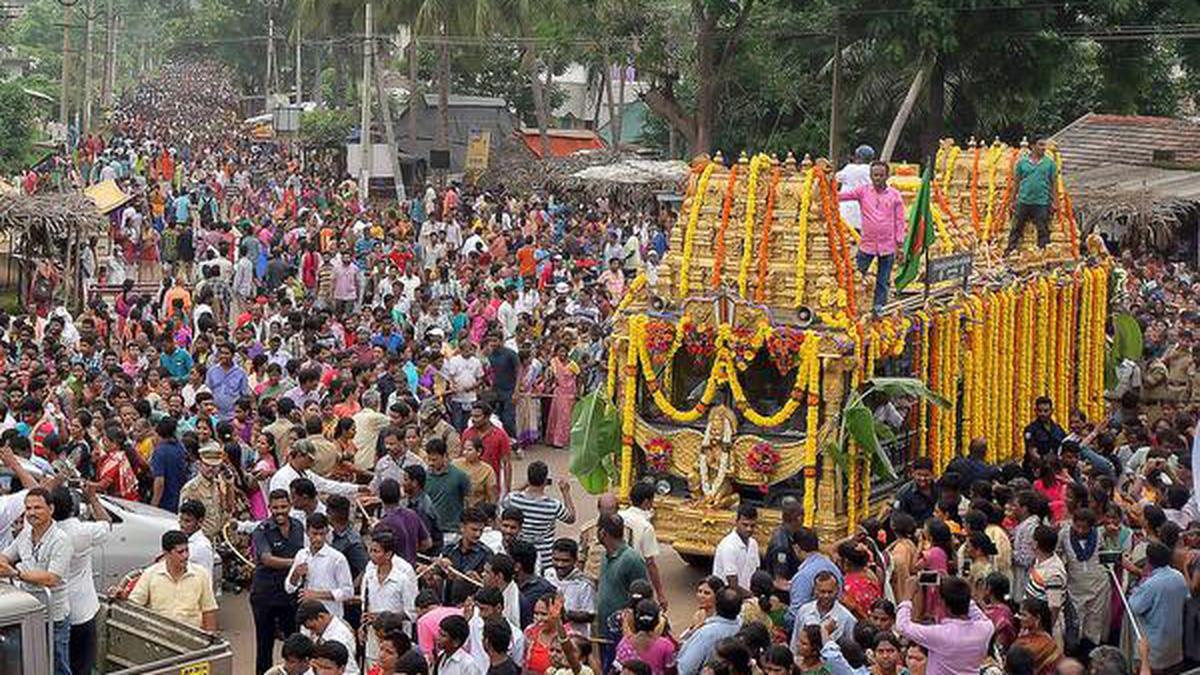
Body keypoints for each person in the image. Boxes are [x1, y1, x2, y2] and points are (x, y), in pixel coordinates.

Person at [0, 488, 73, 675]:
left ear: (51, 509)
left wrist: (16, 573)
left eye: (37, 508)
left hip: (52, 616)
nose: (32, 513)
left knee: (57, 666)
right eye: (28, 508)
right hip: (27, 614)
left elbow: (51, 578)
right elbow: (5, 556)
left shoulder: (61, 540)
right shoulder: (25, 534)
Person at [53, 484, 110, 675]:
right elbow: (107, 523)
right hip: (82, 612)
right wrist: (93, 498)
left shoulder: (44, 532)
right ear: (73, 508)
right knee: (82, 666)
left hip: (55, 612)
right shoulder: (82, 531)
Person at [838, 161, 906, 311]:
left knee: (883, 280)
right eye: (875, 175)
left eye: (881, 175)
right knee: (856, 275)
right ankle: (851, 306)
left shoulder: (895, 195)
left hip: (887, 246)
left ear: (887, 176)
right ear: (870, 176)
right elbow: (842, 196)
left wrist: (900, 244)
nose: (878, 178)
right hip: (867, 245)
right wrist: (825, 188)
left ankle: (879, 308)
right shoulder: (863, 191)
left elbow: (900, 221)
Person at [251, 489, 305, 675]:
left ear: (290, 505)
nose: (280, 511)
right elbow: (266, 559)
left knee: (294, 644)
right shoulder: (261, 530)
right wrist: (296, 563)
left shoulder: (298, 526)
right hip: (265, 595)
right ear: (269, 508)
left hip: (289, 596)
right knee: (264, 644)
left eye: (283, 507)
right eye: (275, 508)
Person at [896, 575, 993, 675]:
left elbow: (902, 625)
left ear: (943, 604)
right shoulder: (985, 629)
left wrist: (907, 596)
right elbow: (975, 611)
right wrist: (959, 590)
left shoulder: (940, 634)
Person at [125, 530, 219, 631]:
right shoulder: (150, 574)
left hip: (192, 636)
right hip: (159, 636)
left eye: (187, 550)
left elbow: (209, 610)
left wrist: (210, 638)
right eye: (180, 552)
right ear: (166, 553)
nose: (186, 556)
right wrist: (123, 596)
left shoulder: (201, 574)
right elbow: (134, 605)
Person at [595, 513, 648, 673]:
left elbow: (642, 596)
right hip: (605, 629)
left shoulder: (632, 559)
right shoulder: (606, 555)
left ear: (602, 533)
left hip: (621, 634)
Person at [501, 460, 576, 571]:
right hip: (544, 557)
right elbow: (571, 518)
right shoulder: (553, 505)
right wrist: (565, 492)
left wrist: (525, 484)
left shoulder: (514, 499)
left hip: (519, 555)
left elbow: (505, 499)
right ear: (545, 480)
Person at [1127, 541, 1188, 674]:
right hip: (1174, 647)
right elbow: (1185, 597)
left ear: (1148, 560)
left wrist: (1137, 589)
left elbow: (1134, 606)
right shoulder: (1179, 576)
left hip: (1153, 650)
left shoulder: (1151, 584)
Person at [361, 531, 418, 668]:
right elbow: (364, 606)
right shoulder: (369, 576)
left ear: (388, 554)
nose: (372, 555)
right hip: (373, 641)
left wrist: (385, 618)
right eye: (371, 550)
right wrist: (362, 627)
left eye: (376, 551)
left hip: (396, 643)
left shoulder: (402, 579)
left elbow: (413, 613)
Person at [285, 512, 354, 619]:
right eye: (314, 534)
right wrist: (296, 574)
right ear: (307, 532)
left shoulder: (337, 558)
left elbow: (348, 592)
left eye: (322, 534)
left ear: (327, 532)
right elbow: (289, 588)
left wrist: (315, 595)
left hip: (331, 618)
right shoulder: (302, 554)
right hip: (308, 618)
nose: (319, 538)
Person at [1005, 138, 1058, 254]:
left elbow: (1054, 183)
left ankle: (1043, 252)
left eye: (1044, 145)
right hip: (1023, 200)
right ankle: (1010, 250)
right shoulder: (1022, 163)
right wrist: (1012, 200)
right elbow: (1017, 183)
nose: (1043, 148)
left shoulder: (1050, 163)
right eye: (1041, 145)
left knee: (1043, 229)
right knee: (1016, 227)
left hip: (1041, 201)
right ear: (1033, 146)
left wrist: (1055, 201)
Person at [677, 587, 744, 675]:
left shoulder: (707, 633)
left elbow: (686, 669)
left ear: (716, 605)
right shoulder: (741, 623)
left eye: (707, 593)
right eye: (700, 591)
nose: (702, 596)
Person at [179, 446, 237, 540]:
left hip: (217, 539)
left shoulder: (218, 484)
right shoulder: (191, 488)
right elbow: (183, 520)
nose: (210, 469)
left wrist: (230, 486)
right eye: (207, 465)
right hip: (200, 540)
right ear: (200, 465)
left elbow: (229, 509)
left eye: (214, 466)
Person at [792, 571, 857, 647]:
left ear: (837, 590)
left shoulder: (846, 618)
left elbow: (851, 649)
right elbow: (795, 643)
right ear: (815, 590)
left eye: (830, 592)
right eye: (822, 592)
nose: (826, 596)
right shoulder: (804, 611)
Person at [297, 599, 360, 675]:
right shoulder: (325, 631)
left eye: (313, 628)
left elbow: (351, 672)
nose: (313, 633)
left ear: (321, 617)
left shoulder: (340, 638)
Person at [425, 437, 472, 540]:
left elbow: (468, 502)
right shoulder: (424, 477)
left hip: (452, 531)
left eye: (434, 460)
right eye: (428, 459)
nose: (431, 463)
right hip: (431, 531)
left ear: (445, 456)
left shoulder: (460, 476)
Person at [614, 599, 676, 675]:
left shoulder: (624, 644)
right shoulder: (666, 646)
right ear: (657, 621)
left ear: (636, 620)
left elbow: (617, 670)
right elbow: (671, 672)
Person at [713, 503, 760, 593]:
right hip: (728, 598)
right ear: (736, 522)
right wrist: (752, 597)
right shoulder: (729, 546)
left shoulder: (753, 544)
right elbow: (732, 585)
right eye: (745, 525)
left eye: (752, 526)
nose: (749, 529)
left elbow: (756, 572)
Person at [1010, 598, 1061, 675]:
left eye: (1024, 615)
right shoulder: (1026, 637)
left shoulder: (1044, 644)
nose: (1020, 618)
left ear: (1037, 618)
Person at [150, 416, 189, 512]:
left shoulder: (160, 452)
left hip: (165, 502)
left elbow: (159, 482)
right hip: (179, 498)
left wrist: (154, 505)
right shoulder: (180, 447)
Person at [837, 144, 875, 231]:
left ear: (857, 157)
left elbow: (836, 178)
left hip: (846, 209)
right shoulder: (872, 170)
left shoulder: (849, 168)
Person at [179, 499, 216, 578]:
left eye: (187, 521)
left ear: (200, 521)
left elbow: (206, 577)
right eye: (181, 519)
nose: (182, 525)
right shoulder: (183, 540)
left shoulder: (201, 546)